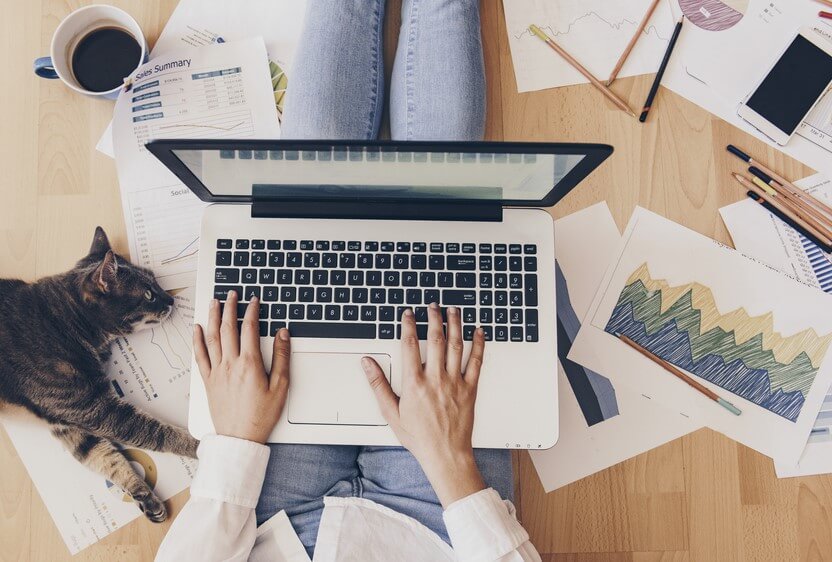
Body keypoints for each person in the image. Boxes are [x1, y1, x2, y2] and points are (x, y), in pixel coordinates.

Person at [156, 1, 542, 560]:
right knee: (447, 213)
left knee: (309, 210)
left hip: (271, 524)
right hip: (438, 524)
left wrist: (236, 445)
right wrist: (452, 462)